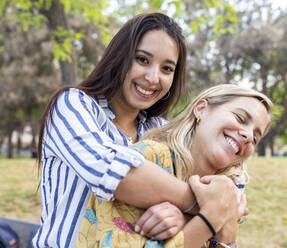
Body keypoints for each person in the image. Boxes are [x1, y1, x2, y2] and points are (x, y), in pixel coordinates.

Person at [33, 13, 240, 247]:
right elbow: (116, 176)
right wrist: (207, 204)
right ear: (120, 57)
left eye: (167, 68)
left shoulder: (163, 131)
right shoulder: (73, 105)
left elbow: (221, 195)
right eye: (142, 59)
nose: (153, 78)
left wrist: (184, 214)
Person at [77, 84, 273, 248]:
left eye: (256, 138)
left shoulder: (225, 192)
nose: (248, 136)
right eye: (240, 118)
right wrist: (210, 218)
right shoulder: (147, 159)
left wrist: (223, 226)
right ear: (201, 109)